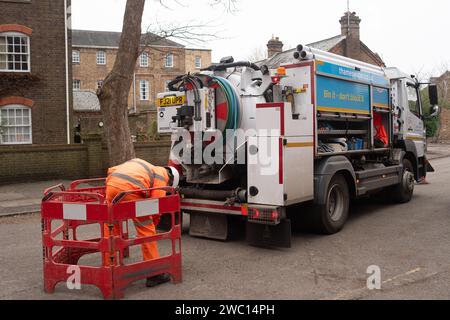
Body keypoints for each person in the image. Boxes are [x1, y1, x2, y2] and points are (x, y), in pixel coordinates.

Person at [104, 158, 180, 287]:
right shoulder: (162, 177)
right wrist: (154, 224)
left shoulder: (147, 167)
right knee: (146, 228)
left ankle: (108, 269)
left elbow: (113, 170)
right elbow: (155, 206)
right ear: (171, 181)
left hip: (111, 186)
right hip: (130, 189)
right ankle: (153, 274)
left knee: (111, 227)